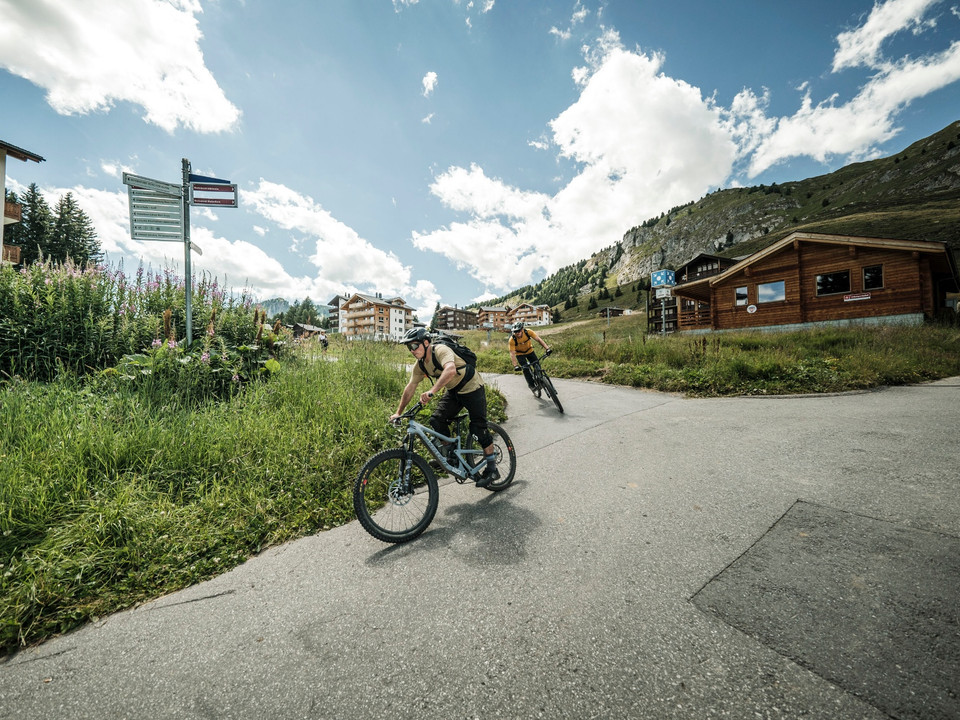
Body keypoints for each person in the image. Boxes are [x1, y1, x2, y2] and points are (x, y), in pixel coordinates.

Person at [391, 328, 500, 487]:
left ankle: (492, 468)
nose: (412, 351)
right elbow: (410, 387)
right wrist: (398, 413)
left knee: (478, 428)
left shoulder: (441, 350)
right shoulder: (420, 364)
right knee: (437, 420)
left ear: (426, 342)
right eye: (409, 348)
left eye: (415, 346)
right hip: (454, 391)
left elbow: (450, 369)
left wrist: (432, 391)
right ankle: (451, 456)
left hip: (472, 388)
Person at [508, 321, 550, 389]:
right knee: (526, 369)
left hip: (530, 351)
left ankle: (541, 379)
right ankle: (531, 385)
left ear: (522, 329)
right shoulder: (512, 340)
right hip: (520, 354)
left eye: (518, 331)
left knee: (537, 365)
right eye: (515, 331)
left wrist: (547, 348)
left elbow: (538, 340)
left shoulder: (528, 332)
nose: (517, 333)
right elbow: (512, 354)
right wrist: (515, 365)